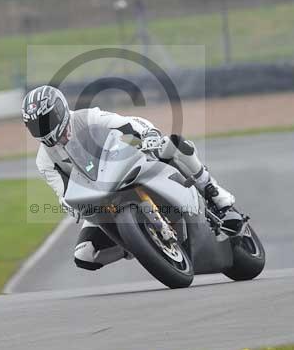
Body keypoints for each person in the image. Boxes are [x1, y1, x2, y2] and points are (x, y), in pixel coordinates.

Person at [22, 85, 235, 271]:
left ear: (59, 110)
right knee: (85, 255)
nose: (43, 128)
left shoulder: (87, 118)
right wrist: (70, 206)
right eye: (35, 125)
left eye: (45, 120)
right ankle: (138, 246)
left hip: (126, 161)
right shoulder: (44, 159)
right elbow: (62, 192)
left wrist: (148, 134)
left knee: (171, 144)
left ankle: (212, 190)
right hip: (99, 197)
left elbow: (127, 123)